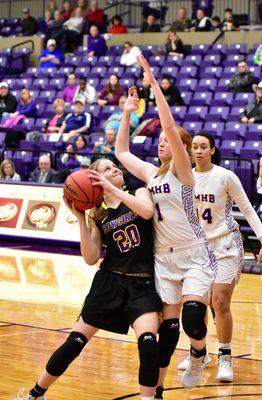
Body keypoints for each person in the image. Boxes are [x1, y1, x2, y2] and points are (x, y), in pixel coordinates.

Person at [18, 157, 163, 400]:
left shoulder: (139, 192)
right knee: (74, 341)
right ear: (96, 180)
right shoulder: (98, 214)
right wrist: (81, 220)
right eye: (107, 169)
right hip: (109, 282)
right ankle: (35, 394)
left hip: (142, 283)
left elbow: (147, 212)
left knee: (148, 342)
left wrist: (111, 188)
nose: (115, 168)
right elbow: (90, 257)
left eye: (114, 165)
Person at [115, 55, 217, 395]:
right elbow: (122, 152)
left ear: (183, 150)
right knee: (169, 329)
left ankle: (200, 353)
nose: (162, 141)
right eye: (157, 139)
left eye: (167, 140)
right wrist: (128, 112)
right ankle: (158, 389)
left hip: (194, 253)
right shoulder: (150, 173)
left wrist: (154, 86)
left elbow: (170, 127)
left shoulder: (183, 171)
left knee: (191, 320)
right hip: (164, 258)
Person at [179, 131, 262, 382]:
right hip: (197, 249)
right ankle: (199, 352)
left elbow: (247, 208)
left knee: (220, 301)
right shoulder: (184, 178)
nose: (199, 150)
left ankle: (225, 356)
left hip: (226, 243)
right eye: (195, 147)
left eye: (204, 146)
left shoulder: (225, 176)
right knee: (198, 302)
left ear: (212, 150)